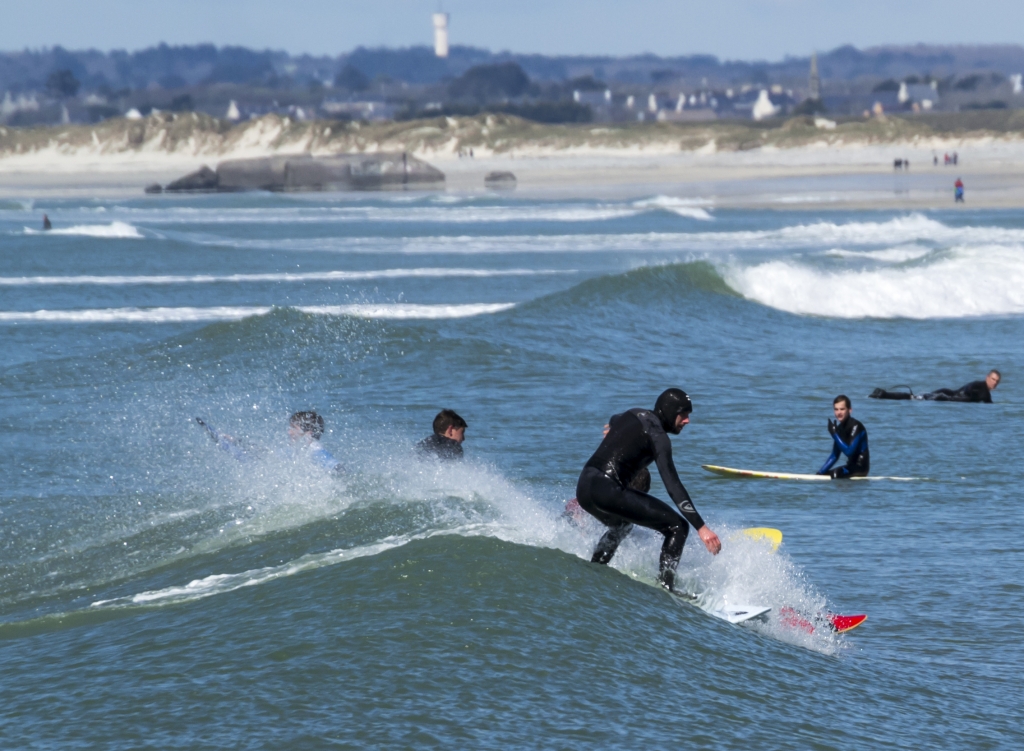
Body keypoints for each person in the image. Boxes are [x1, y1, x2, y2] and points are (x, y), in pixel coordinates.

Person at [575, 388, 721, 592]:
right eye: (684, 414)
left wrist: (614, 427)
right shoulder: (659, 437)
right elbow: (673, 485)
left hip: (584, 486)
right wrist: (701, 527)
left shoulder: (634, 413)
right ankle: (666, 588)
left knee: (622, 526)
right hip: (607, 489)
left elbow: (616, 418)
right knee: (678, 527)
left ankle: (595, 569)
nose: (687, 420)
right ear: (670, 412)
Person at [196, 410, 342, 473]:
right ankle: (220, 440)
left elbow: (338, 468)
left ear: (308, 433)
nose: (288, 432)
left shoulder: (315, 451)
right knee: (249, 458)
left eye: (293, 428)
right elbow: (266, 453)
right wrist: (236, 441)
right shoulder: (297, 451)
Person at [817, 395, 869, 479]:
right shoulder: (840, 429)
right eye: (836, 409)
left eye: (842, 409)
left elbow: (849, 451)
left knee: (835, 474)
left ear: (850, 410)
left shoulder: (856, 426)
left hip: (861, 468)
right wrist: (820, 473)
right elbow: (834, 455)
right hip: (850, 467)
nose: (839, 412)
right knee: (827, 474)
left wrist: (834, 434)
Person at [870, 370, 1000, 403]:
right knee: (914, 399)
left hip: (945, 394)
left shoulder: (981, 388)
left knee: (913, 398)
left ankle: (883, 394)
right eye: (993, 379)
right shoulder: (982, 389)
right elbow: (969, 390)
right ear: (987, 377)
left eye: (997, 381)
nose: (994, 382)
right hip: (944, 397)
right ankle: (883, 395)